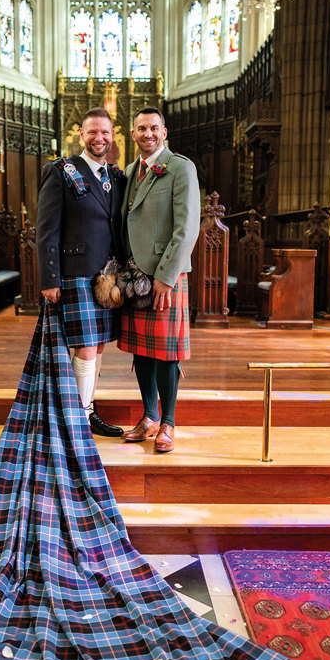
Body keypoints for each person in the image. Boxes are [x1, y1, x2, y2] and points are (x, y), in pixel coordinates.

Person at [36, 106, 125, 437]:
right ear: (81, 135)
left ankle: (86, 409)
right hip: (75, 271)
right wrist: (50, 278)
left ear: (112, 136)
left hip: (107, 275)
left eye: (104, 132)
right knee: (86, 346)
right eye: (92, 132)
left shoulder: (116, 177)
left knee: (98, 346)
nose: (98, 138)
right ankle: (80, 419)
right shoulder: (61, 171)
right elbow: (46, 229)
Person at [119, 107, 200, 453]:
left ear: (164, 132)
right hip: (135, 276)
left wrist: (166, 277)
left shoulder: (181, 167)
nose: (148, 134)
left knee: (167, 353)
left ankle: (168, 422)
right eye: (141, 128)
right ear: (133, 134)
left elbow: (186, 229)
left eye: (154, 128)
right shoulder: (129, 171)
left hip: (166, 274)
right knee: (142, 350)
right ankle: (149, 416)